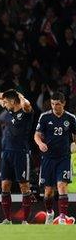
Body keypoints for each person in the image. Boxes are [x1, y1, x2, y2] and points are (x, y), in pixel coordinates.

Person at [34, 92, 76, 225]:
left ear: (63, 103)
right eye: (52, 104)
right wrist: (40, 143)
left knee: (61, 185)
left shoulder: (70, 118)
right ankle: (50, 212)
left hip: (63, 158)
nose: (54, 106)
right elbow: (37, 135)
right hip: (48, 158)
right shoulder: (45, 117)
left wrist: (74, 144)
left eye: (57, 104)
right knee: (48, 191)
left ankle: (63, 217)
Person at [0, 89, 35, 224]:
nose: (4, 104)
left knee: (24, 186)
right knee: (5, 185)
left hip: (21, 153)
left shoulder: (26, 113)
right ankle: (7, 219)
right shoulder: (9, 110)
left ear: (13, 101)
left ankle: (25, 221)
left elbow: (27, 104)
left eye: (6, 102)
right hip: (6, 153)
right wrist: (10, 94)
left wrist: (19, 95)